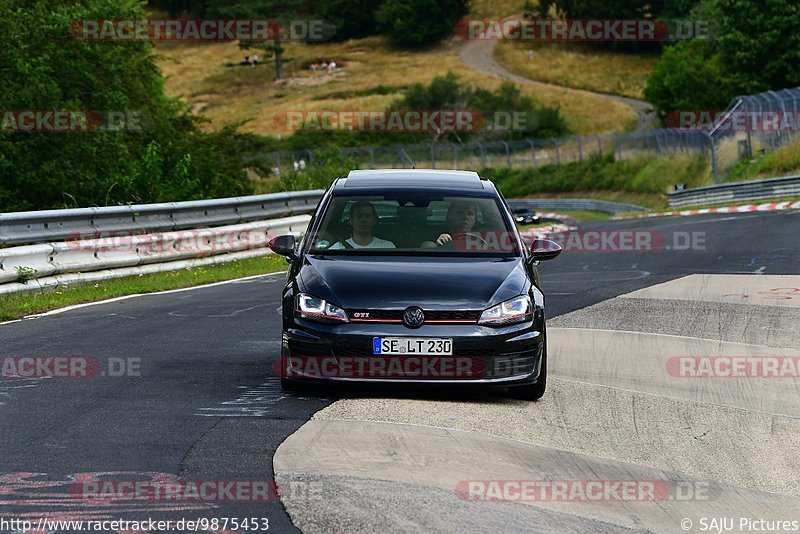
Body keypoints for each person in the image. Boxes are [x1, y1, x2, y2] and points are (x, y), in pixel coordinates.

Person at [330, 201, 395, 249]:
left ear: (374, 221)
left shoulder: (388, 247)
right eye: (359, 216)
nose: (363, 220)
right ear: (351, 221)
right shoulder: (337, 248)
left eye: (367, 216)